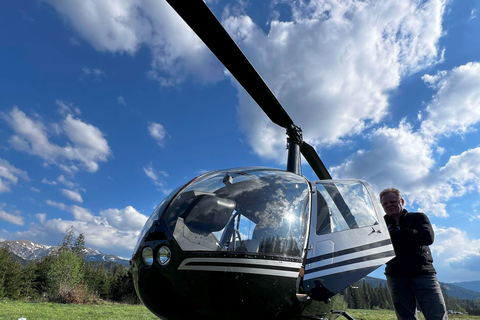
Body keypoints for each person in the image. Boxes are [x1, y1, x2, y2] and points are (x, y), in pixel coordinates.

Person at [379, 188, 448, 320]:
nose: (389, 205)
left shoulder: (418, 217)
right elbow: (378, 245)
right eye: (385, 204)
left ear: (402, 201)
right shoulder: (380, 225)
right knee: (405, 318)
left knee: (437, 316)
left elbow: (427, 238)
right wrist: (410, 234)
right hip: (396, 276)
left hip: (423, 274)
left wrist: (396, 235)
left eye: (392, 201)